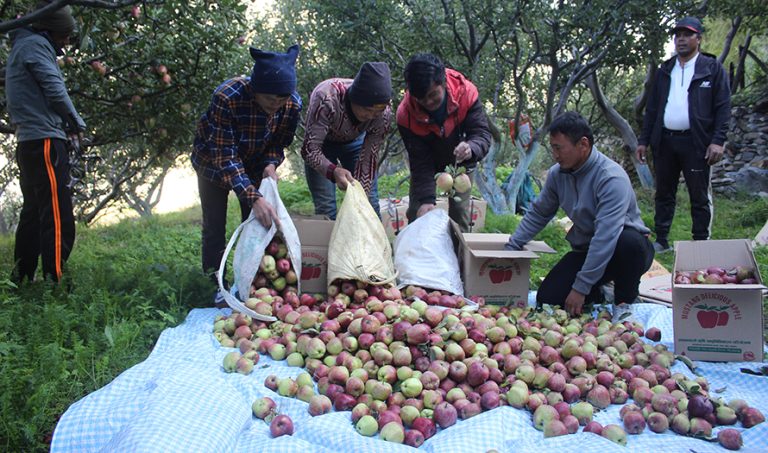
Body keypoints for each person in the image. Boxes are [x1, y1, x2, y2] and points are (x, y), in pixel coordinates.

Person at [505, 112, 654, 317]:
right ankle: (599, 293)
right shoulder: (558, 174)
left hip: (623, 249)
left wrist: (580, 287)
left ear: (583, 144)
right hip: (589, 249)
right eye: (553, 148)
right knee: (548, 298)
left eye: (559, 148)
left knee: (629, 244)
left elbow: (606, 236)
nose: (555, 155)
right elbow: (540, 213)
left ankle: (624, 302)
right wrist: (512, 247)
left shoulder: (611, 178)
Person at [192, 45, 301, 302]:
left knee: (257, 226)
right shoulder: (227, 97)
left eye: (281, 99)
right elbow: (225, 155)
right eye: (270, 99)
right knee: (214, 227)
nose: (276, 105)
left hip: (253, 163)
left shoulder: (292, 104)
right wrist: (254, 197)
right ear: (255, 90)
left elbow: (278, 143)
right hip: (212, 163)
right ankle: (214, 286)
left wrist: (270, 164)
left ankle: (252, 284)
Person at [636, 16, 731, 253]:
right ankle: (662, 240)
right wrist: (643, 141)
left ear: (698, 39)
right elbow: (653, 109)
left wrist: (718, 141)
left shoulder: (712, 68)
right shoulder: (665, 70)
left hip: (696, 142)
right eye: (677, 35)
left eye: (687, 34)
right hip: (665, 141)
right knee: (664, 193)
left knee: (698, 195)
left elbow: (723, 107)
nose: (681, 39)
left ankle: (700, 243)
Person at [6, 2, 85, 284]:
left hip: (29, 142)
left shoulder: (22, 46)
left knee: (33, 212)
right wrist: (75, 121)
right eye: (64, 36)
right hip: (45, 142)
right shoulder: (36, 48)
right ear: (50, 31)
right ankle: (56, 280)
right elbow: (54, 88)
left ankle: (22, 277)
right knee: (56, 213)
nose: (65, 43)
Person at [397, 53, 491, 232]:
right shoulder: (406, 115)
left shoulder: (466, 94)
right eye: (421, 99)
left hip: (461, 164)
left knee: (459, 214)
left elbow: (482, 134)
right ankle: (416, 257)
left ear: (444, 83)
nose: (428, 102)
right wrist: (426, 199)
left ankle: (459, 258)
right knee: (417, 212)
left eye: (433, 95)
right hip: (429, 164)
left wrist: (472, 147)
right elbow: (419, 161)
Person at [301, 62, 393, 219]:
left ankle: (371, 243)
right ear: (353, 99)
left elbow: (368, 158)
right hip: (321, 145)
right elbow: (310, 149)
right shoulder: (326, 98)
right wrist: (333, 171)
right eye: (367, 110)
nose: (371, 116)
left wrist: (362, 195)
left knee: (369, 202)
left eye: (376, 112)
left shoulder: (383, 114)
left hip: (355, 143)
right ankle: (328, 242)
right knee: (326, 207)